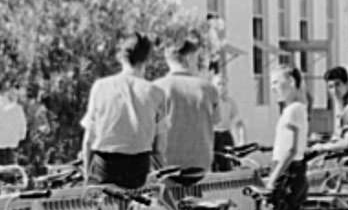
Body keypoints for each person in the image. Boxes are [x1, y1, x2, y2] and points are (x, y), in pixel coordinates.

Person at [79, 32, 168, 189]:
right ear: (146, 59)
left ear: (121, 57)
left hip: (105, 167)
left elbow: (88, 141)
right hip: (138, 169)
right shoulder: (156, 93)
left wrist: (88, 176)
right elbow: (159, 148)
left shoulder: (100, 87)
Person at [153, 35, 221, 172]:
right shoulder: (209, 89)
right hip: (201, 166)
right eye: (196, 57)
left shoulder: (156, 88)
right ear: (189, 58)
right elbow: (217, 120)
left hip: (166, 167)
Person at [265, 65, 309, 210]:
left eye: (276, 82)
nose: (273, 88)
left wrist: (273, 178)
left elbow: (291, 149)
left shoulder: (293, 110)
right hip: (293, 170)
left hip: (287, 172)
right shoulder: (297, 108)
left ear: (290, 82)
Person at [308, 66, 348, 156]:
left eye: (338, 84)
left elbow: (347, 143)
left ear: (346, 84)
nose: (334, 90)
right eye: (331, 87)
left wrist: (322, 147)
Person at [211, 73, 246, 171]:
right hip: (212, 135)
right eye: (218, 84)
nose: (221, 87)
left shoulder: (230, 102)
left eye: (223, 84)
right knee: (212, 166)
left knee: (227, 164)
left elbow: (239, 123)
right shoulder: (209, 102)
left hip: (225, 135)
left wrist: (242, 140)